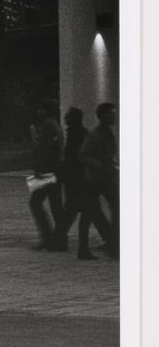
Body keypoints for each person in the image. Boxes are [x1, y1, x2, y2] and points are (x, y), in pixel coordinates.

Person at [57, 106, 106, 260]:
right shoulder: (79, 133)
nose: (65, 120)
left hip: (75, 179)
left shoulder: (76, 134)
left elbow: (73, 158)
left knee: (77, 211)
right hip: (78, 179)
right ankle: (106, 240)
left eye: (68, 117)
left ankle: (59, 239)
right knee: (89, 211)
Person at [80, 102, 118, 259]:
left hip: (106, 177)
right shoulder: (95, 134)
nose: (114, 116)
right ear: (103, 116)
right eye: (111, 114)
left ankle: (113, 242)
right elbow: (84, 155)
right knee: (90, 212)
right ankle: (87, 248)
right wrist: (101, 165)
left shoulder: (108, 133)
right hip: (96, 179)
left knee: (115, 207)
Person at [26, 100, 65, 251]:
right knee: (55, 205)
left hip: (47, 171)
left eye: (41, 108)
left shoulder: (47, 125)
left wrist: (38, 168)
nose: (38, 111)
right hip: (54, 169)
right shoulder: (54, 124)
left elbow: (45, 149)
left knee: (36, 202)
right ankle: (58, 239)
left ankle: (49, 237)